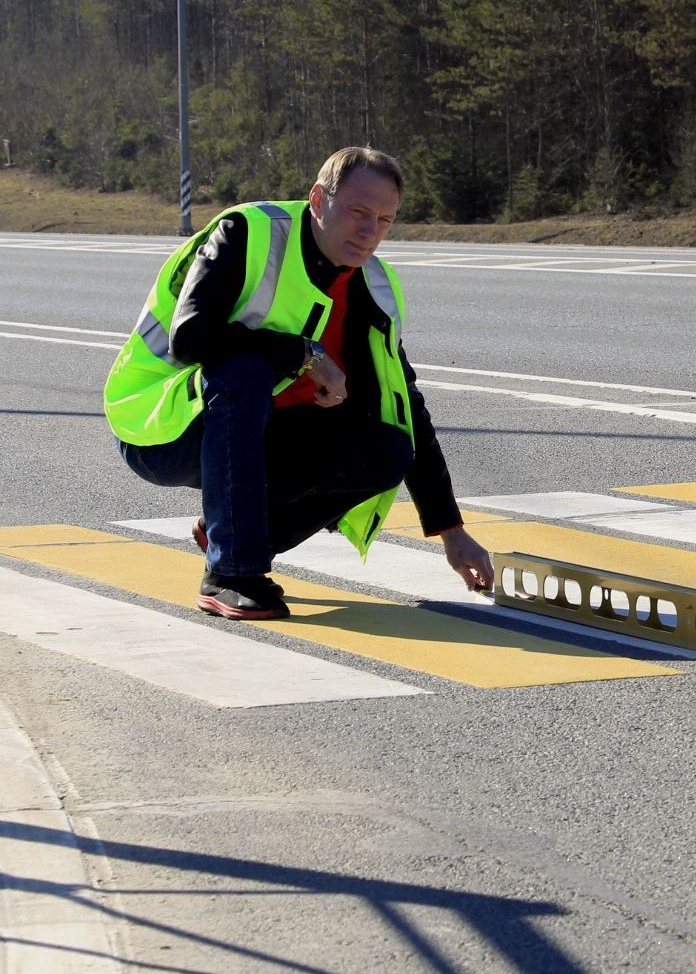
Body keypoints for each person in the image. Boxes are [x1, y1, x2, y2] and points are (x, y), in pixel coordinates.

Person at [103, 146, 493, 620]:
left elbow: (406, 402)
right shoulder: (250, 233)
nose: (370, 232)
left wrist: (450, 530)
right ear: (317, 199)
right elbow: (190, 338)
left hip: (257, 434)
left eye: (385, 220)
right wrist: (304, 355)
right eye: (358, 212)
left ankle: (229, 532)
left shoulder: (373, 287)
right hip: (162, 428)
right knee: (243, 371)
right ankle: (230, 574)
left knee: (387, 447)